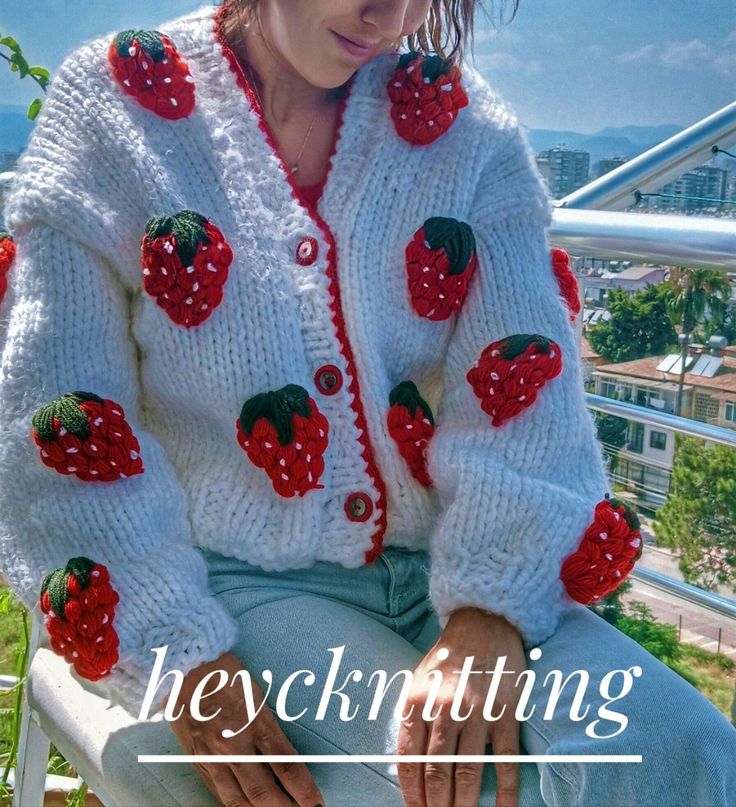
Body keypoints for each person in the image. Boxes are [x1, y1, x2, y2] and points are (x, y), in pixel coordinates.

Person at [0, 0, 734, 805]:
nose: (391, 15)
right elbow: (58, 410)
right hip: (233, 587)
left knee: (687, 753)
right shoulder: (114, 109)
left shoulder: (465, 133)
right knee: (460, 793)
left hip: (452, 563)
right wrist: (178, 647)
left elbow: (528, 387)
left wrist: (492, 607)